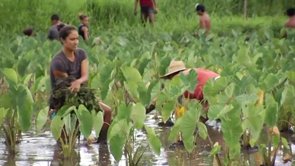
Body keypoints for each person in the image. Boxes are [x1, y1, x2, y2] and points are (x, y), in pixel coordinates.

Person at [49, 25, 111, 143]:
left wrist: (79, 81)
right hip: (63, 100)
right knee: (65, 142)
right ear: (62, 40)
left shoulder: (81, 54)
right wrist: (75, 83)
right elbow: (65, 84)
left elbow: (85, 75)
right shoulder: (58, 61)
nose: (76, 42)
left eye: (77, 38)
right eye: (72, 39)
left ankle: (102, 143)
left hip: (82, 95)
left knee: (107, 111)